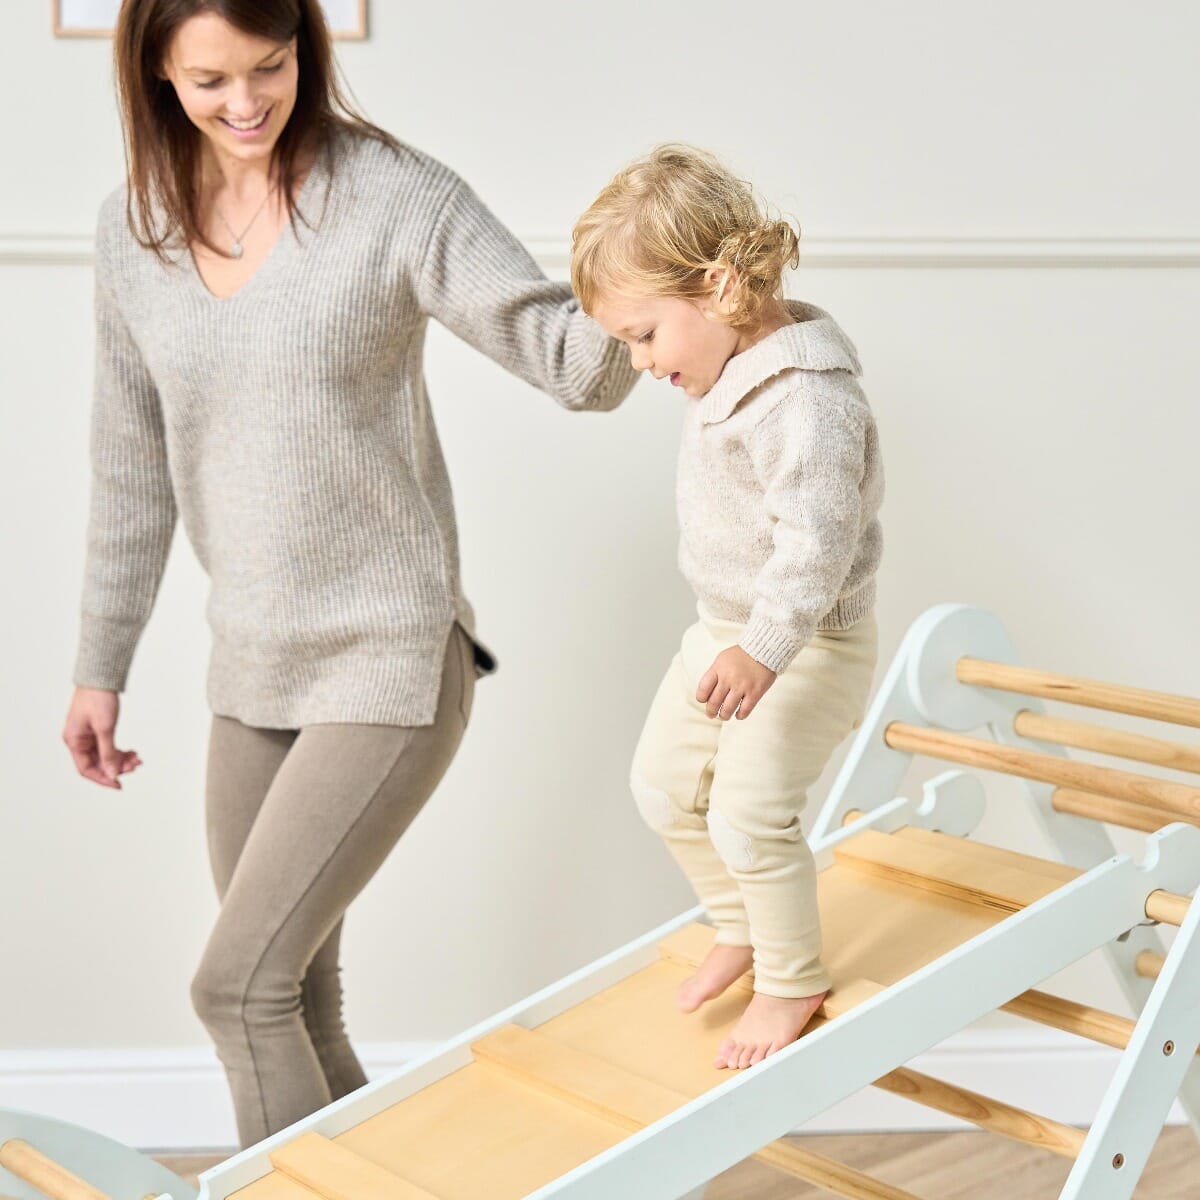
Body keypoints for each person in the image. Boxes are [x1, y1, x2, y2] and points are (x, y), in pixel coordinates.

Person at [60, 0, 635, 1147]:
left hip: (391, 659)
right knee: (297, 997)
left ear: (305, 49)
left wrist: (672, 262)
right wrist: (97, 666)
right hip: (253, 671)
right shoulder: (135, 231)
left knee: (238, 990)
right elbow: (132, 471)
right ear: (154, 75)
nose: (244, 103)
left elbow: (577, 366)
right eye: (207, 79)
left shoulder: (395, 196)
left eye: (268, 68)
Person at [572, 144, 883, 1070]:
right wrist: (736, 639)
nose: (638, 363)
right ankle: (742, 924)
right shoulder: (725, 365)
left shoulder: (808, 402)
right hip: (722, 632)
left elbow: (815, 543)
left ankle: (792, 977)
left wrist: (767, 647)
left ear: (717, 288)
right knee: (663, 788)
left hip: (806, 644)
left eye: (643, 335)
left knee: (749, 814)